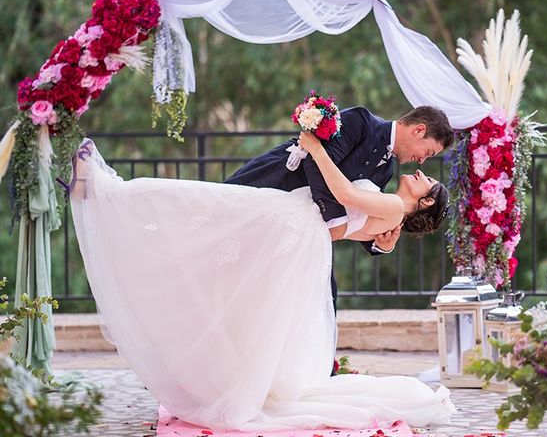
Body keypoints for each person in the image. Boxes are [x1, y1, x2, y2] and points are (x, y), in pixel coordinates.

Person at [68, 126, 454, 431]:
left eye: (427, 181)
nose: (422, 170)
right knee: (209, 223)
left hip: (290, 221)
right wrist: (313, 230)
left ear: (424, 202)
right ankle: (107, 194)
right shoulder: (388, 196)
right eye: (427, 160)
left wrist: (316, 149)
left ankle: (109, 191)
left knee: (197, 205)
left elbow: (345, 196)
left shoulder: (390, 205)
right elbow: (337, 229)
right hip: (295, 226)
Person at [225, 105, 454, 312]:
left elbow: (362, 214)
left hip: (299, 227)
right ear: (419, 130)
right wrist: (336, 222)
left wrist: (379, 245)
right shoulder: (362, 121)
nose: (423, 161)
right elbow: (314, 161)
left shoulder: (386, 171)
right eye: (429, 152)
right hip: (275, 182)